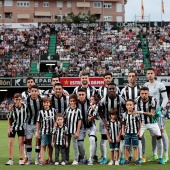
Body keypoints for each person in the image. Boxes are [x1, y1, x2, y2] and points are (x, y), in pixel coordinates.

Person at [144, 68, 169, 163]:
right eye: (148, 73)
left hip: (157, 113)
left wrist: (160, 109)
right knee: (153, 134)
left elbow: (165, 98)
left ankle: (166, 155)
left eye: (151, 73)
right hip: (149, 113)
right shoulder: (145, 85)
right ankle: (154, 155)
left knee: (162, 132)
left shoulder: (160, 84)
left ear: (154, 74)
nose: (150, 75)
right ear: (146, 75)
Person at [135, 87, 165, 164]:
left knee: (159, 138)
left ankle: (160, 157)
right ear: (140, 94)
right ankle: (140, 158)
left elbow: (152, 114)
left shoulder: (153, 100)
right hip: (142, 123)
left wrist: (140, 112)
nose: (144, 95)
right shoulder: (137, 100)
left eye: (146, 93)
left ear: (148, 93)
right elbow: (130, 104)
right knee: (139, 139)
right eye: (142, 93)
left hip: (152, 123)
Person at [98, 82, 126, 165]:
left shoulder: (120, 99)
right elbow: (100, 111)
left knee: (120, 140)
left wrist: (122, 120)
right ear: (107, 89)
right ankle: (104, 158)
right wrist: (104, 121)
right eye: (110, 89)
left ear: (116, 89)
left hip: (118, 123)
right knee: (104, 139)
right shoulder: (104, 99)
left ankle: (122, 158)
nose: (111, 90)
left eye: (113, 89)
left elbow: (125, 109)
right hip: (107, 123)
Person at [120, 71, 142, 163]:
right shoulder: (124, 89)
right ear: (128, 78)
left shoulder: (140, 89)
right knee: (127, 142)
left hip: (137, 116)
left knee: (140, 139)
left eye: (133, 76)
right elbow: (121, 103)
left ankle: (140, 157)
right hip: (127, 117)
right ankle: (127, 157)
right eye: (130, 76)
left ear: (136, 77)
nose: (131, 78)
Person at [5, 93, 27, 165]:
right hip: (13, 127)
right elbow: (9, 118)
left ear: (22, 99)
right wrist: (9, 128)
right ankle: (10, 159)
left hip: (22, 127)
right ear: (14, 100)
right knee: (11, 142)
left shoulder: (25, 107)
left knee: (21, 142)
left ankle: (21, 159)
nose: (18, 101)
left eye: (19, 99)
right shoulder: (12, 108)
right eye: (16, 99)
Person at [25, 85, 42, 165]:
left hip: (38, 124)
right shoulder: (26, 100)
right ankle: (29, 159)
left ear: (38, 92)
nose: (34, 92)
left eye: (35, 91)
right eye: (32, 91)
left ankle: (36, 159)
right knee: (28, 141)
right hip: (29, 123)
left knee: (38, 140)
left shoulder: (41, 100)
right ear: (30, 92)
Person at [36, 97, 56, 165]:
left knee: (50, 146)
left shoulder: (53, 111)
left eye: (47, 102)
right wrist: (37, 132)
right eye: (44, 103)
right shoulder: (40, 112)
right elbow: (38, 122)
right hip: (44, 132)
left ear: (50, 103)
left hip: (52, 132)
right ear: (42, 103)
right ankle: (41, 159)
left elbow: (56, 120)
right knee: (43, 145)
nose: (46, 104)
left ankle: (50, 159)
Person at [64, 94, 82, 165]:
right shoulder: (67, 110)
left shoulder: (78, 111)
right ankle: (66, 159)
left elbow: (79, 121)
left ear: (76, 102)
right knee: (66, 145)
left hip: (74, 131)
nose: (72, 102)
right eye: (71, 101)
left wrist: (77, 131)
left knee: (75, 145)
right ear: (69, 102)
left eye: (73, 101)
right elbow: (64, 119)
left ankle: (76, 159)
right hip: (67, 131)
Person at [122, 99, 141, 166]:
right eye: (127, 105)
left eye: (130, 105)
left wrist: (139, 131)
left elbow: (139, 123)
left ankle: (136, 160)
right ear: (126, 106)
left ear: (133, 106)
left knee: (135, 147)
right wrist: (123, 131)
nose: (129, 106)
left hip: (134, 133)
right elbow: (123, 124)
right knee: (126, 147)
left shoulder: (136, 114)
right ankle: (126, 160)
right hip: (127, 133)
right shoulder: (124, 114)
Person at [86, 95, 99, 165]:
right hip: (84, 126)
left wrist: (91, 106)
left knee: (92, 139)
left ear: (95, 100)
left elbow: (95, 114)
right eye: (90, 99)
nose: (91, 101)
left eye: (92, 99)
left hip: (92, 125)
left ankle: (90, 158)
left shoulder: (96, 106)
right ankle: (82, 157)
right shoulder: (87, 106)